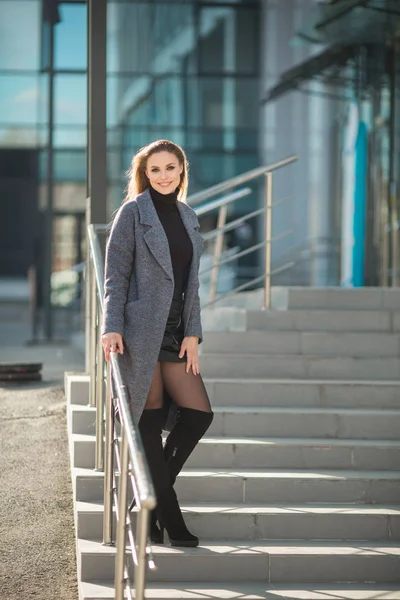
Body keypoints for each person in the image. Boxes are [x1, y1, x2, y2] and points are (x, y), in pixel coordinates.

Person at [101, 140, 214, 548]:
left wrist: (193, 334)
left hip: (176, 332)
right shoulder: (132, 214)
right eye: (155, 170)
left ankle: (145, 506)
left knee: (199, 414)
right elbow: (116, 276)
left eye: (171, 168)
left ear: (182, 170)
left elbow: (193, 286)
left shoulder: (188, 216)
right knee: (147, 419)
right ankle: (169, 515)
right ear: (144, 174)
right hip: (139, 330)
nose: (164, 176)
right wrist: (111, 326)